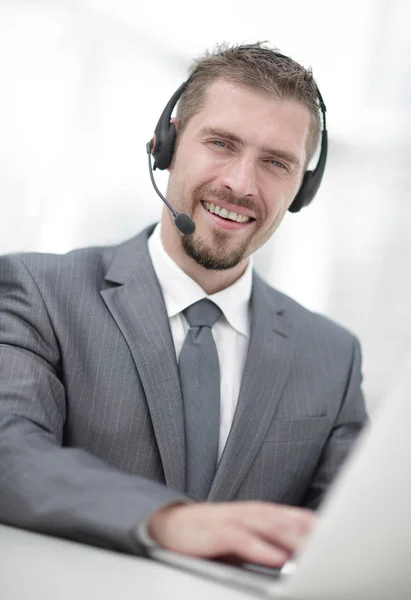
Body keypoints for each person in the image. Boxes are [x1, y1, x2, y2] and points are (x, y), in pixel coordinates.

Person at [0, 43, 367, 568]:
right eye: (220, 143)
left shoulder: (333, 356)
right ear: (166, 144)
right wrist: (172, 521)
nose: (240, 184)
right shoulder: (40, 291)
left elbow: (354, 528)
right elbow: (8, 455)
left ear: (302, 189)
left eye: (275, 163)